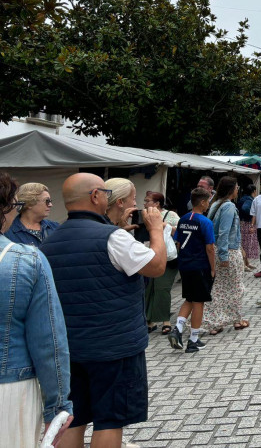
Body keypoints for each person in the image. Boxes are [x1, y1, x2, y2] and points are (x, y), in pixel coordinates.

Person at [42, 173, 167, 448]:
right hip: (114, 347)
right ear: (95, 196)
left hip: (70, 349)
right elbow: (157, 266)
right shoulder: (112, 238)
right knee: (109, 420)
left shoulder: (49, 241)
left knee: (73, 418)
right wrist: (156, 229)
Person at [0, 172, 74, 447]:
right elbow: (49, 341)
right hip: (10, 388)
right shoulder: (26, 259)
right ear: (6, 208)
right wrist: (58, 406)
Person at [169, 188, 217, 354]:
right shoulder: (205, 222)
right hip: (200, 265)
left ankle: (178, 327)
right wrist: (213, 268)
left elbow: (178, 242)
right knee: (199, 302)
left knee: (189, 298)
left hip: (185, 265)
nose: (209, 204)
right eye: (208, 201)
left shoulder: (183, 219)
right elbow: (210, 247)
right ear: (202, 202)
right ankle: (193, 340)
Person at [203, 176, 249, 334]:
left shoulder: (215, 204)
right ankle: (234, 320)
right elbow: (224, 232)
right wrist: (224, 257)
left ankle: (219, 321)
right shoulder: (228, 206)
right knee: (235, 287)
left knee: (218, 287)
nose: (238, 190)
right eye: (236, 188)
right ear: (231, 189)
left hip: (217, 250)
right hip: (228, 251)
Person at [143, 191, 180, 336]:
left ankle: (165, 320)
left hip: (168, 257)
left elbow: (180, 231)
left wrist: (164, 226)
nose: (145, 203)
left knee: (162, 288)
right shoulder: (144, 215)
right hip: (148, 255)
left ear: (157, 203)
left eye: (147, 201)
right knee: (149, 288)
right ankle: (149, 321)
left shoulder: (170, 215)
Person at [3, 181, 59, 247]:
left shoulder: (55, 227)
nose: (50, 205)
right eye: (47, 201)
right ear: (29, 203)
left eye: (50, 201)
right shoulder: (8, 231)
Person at [237, 184, 258, 271]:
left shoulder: (243, 198)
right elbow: (245, 208)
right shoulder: (249, 200)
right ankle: (243, 264)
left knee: (243, 244)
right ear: (253, 191)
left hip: (242, 222)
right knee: (245, 245)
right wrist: (251, 214)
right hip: (246, 223)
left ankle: (246, 263)